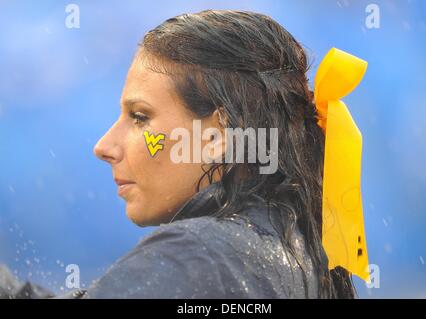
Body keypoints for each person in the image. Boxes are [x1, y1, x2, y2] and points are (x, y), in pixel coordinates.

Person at [1, 9, 356, 299]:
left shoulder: (201, 257)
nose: (104, 146)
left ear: (217, 135)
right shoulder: (295, 248)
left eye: (140, 117)